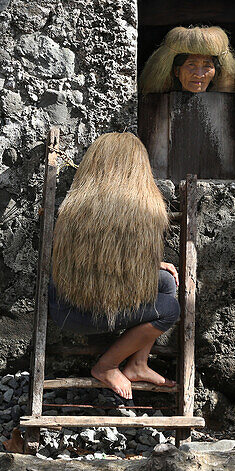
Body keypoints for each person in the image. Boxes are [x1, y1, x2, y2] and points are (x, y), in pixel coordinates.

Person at [49, 132, 180, 399]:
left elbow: (101, 259)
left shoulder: (74, 205)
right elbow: (120, 272)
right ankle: (106, 366)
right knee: (170, 309)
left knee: (165, 282)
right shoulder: (147, 209)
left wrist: (155, 263)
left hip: (66, 309)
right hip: (89, 310)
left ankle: (137, 364)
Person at [138, 25, 235, 94]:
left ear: (215, 73)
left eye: (207, 66)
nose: (199, 74)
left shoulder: (223, 106)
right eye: (191, 65)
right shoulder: (161, 106)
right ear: (177, 71)